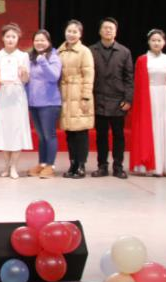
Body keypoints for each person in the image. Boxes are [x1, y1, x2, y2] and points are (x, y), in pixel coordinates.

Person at [90, 17, 133, 178]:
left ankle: (118, 167)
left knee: (118, 136)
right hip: (98, 99)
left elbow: (129, 78)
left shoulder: (124, 52)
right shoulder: (91, 50)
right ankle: (102, 166)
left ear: (116, 32)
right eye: (105, 28)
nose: (108, 30)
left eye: (111, 28)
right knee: (101, 136)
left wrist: (128, 99)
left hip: (118, 101)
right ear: (100, 31)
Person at [130, 29, 166, 177]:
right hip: (147, 96)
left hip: (165, 95)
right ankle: (148, 164)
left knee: (164, 127)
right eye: (153, 40)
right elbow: (137, 83)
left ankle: (165, 165)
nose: (156, 43)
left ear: (164, 42)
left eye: (159, 40)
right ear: (149, 42)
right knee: (150, 127)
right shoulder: (142, 59)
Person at [0, 24, 32, 179]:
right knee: (4, 129)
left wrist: (24, 72)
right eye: (7, 36)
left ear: (18, 38)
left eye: (13, 37)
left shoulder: (23, 56)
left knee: (16, 129)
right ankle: (6, 165)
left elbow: (25, 80)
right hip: (3, 95)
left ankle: (14, 166)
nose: (10, 39)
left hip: (17, 95)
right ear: (2, 38)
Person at [59, 20, 95, 178]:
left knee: (81, 132)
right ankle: (72, 163)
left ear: (80, 34)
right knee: (69, 133)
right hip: (65, 95)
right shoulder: (60, 51)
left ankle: (81, 165)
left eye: (75, 32)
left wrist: (86, 96)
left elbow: (89, 75)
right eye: (69, 31)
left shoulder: (84, 51)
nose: (71, 34)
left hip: (79, 94)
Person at [26, 29, 62, 178]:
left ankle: (50, 165)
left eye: (42, 40)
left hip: (49, 103)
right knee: (41, 136)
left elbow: (54, 77)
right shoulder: (30, 57)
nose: (39, 43)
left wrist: (43, 62)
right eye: (36, 40)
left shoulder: (54, 56)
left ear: (48, 42)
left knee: (49, 135)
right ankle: (42, 163)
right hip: (34, 103)